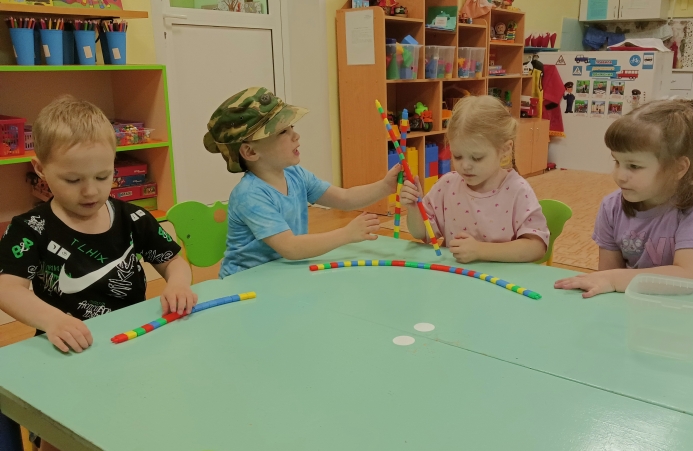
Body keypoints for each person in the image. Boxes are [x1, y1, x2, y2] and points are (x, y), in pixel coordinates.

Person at [0, 96, 197, 356]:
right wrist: (52, 320)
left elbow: (173, 261)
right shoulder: (30, 229)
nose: (90, 191)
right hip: (69, 346)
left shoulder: (133, 218)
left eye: (103, 176)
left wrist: (178, 285)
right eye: (73, 180)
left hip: (132, 337)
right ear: (40, 169)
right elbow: (7, 288)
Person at [204, 87, 402, 277]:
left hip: (281, 274)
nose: (295, 136)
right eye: (282, 132)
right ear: (250, 151)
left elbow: (345, 198)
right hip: (246, 282)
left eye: (291, 127)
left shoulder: (295, 174)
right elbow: (290, 247)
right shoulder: (249, 194)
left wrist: (385, 186)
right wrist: (346, 234)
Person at [554, 100, 693, 300]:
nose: (619, 176)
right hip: (644, 297)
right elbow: (608, 274)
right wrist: (610, 280)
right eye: (617, 162)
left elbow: (688, 277)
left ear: (678, 168)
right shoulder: (612, 206)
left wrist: (614, 279)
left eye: (634, 166)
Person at [399, 95, 549, 263]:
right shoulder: (447, 185)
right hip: (455, 275)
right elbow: (421, 233)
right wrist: (414, 207)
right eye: (457, 156)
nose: (465, 166)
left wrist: (479, 250)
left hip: (499, 277)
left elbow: (536, 247)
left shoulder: (517, 190)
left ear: (505, 150)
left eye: (477, 158)